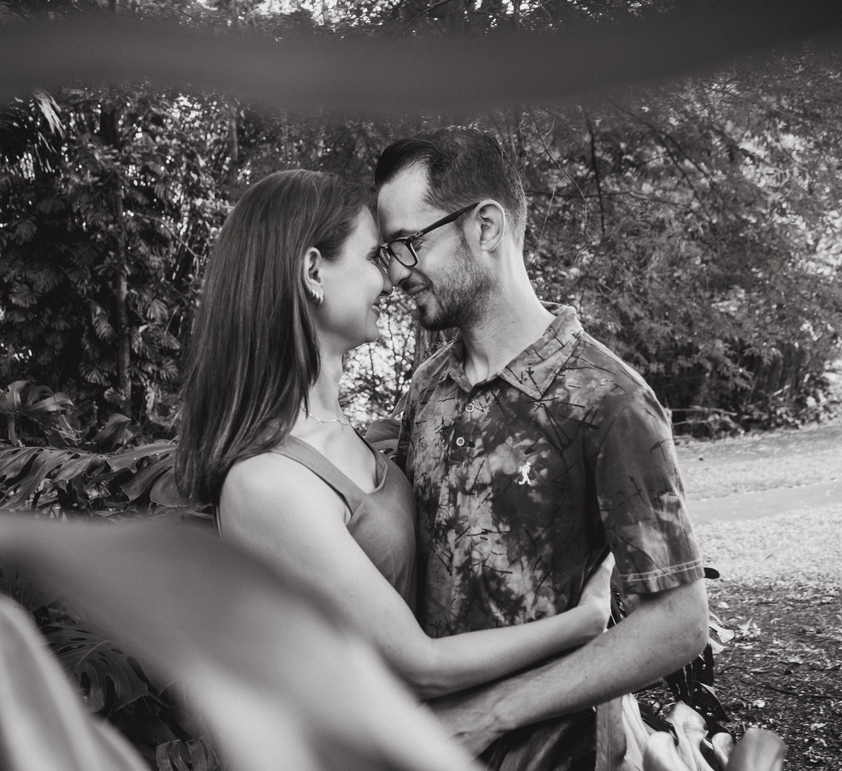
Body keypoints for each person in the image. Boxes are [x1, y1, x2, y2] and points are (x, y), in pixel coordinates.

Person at [174, 169, 615, 701]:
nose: (390, 281)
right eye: (373, 258)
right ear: (313, 272)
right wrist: (584, 619)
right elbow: (421, 667)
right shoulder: (268, 482)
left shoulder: (341, 430)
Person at [372, 127, 710, 771]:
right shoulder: (428, 389)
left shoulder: (609, 400)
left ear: (485, 227)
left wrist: (493, 713)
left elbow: (679, 623)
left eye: (409, 243)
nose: (396, 272)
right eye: (388, 252)